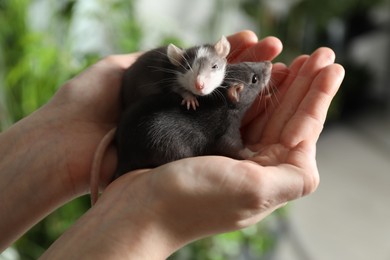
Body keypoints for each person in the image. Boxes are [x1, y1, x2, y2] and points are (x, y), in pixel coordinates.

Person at [0, 30, 344, 259]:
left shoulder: (217, 92)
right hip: (151, 135)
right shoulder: (206, 102)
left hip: (144, 129)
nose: (265, 71)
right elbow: (226, 139)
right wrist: (244, 153)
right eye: (256, 77)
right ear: (238, 94)